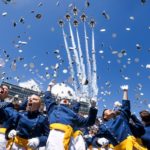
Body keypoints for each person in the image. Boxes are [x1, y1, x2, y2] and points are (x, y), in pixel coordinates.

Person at [44, 82, 98, 150]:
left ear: (70, 103)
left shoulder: (73, 114)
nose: (65, 98)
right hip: (53, 139)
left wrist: (93, 107)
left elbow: (89, 122)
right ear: (59, 100)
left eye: (67, 99)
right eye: (63, 98)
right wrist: (49, 87)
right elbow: (47, 98)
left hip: (68, 140)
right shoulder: (53, 108)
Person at [93, 85, 147, 150]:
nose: (109, 109)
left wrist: (125, 91)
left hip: (133, 146)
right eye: (106, 110)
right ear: (104, 116)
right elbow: (94, 139)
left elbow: (125, 107)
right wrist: (97, 142)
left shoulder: (121, 118)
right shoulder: (103, 127)